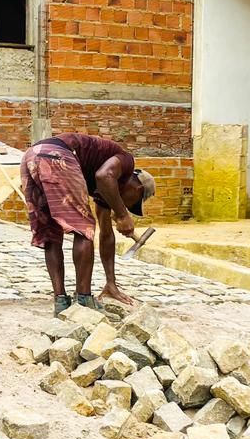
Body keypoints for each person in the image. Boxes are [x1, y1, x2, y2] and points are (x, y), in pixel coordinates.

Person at [20, 132, 155, 314]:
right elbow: (103, 175)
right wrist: (123, 214)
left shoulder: (105, 192)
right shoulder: (126, 161)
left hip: (32, 155)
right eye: (134, 203)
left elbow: (106, 235)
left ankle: (61, 302)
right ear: (137, 189)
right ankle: (84, 300)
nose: (129, 206)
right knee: (83, 229)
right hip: (58, 155)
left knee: (50, 232)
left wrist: (111, 282)